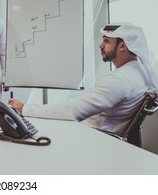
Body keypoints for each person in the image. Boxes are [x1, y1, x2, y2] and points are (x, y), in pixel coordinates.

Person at [8, 22, 158, 136]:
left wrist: (25, 108)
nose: (100, 45)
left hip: (92, 137)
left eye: (106, 41)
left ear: (122, 46)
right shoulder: (140, 71)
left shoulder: (120, 80)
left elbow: (73, 111)